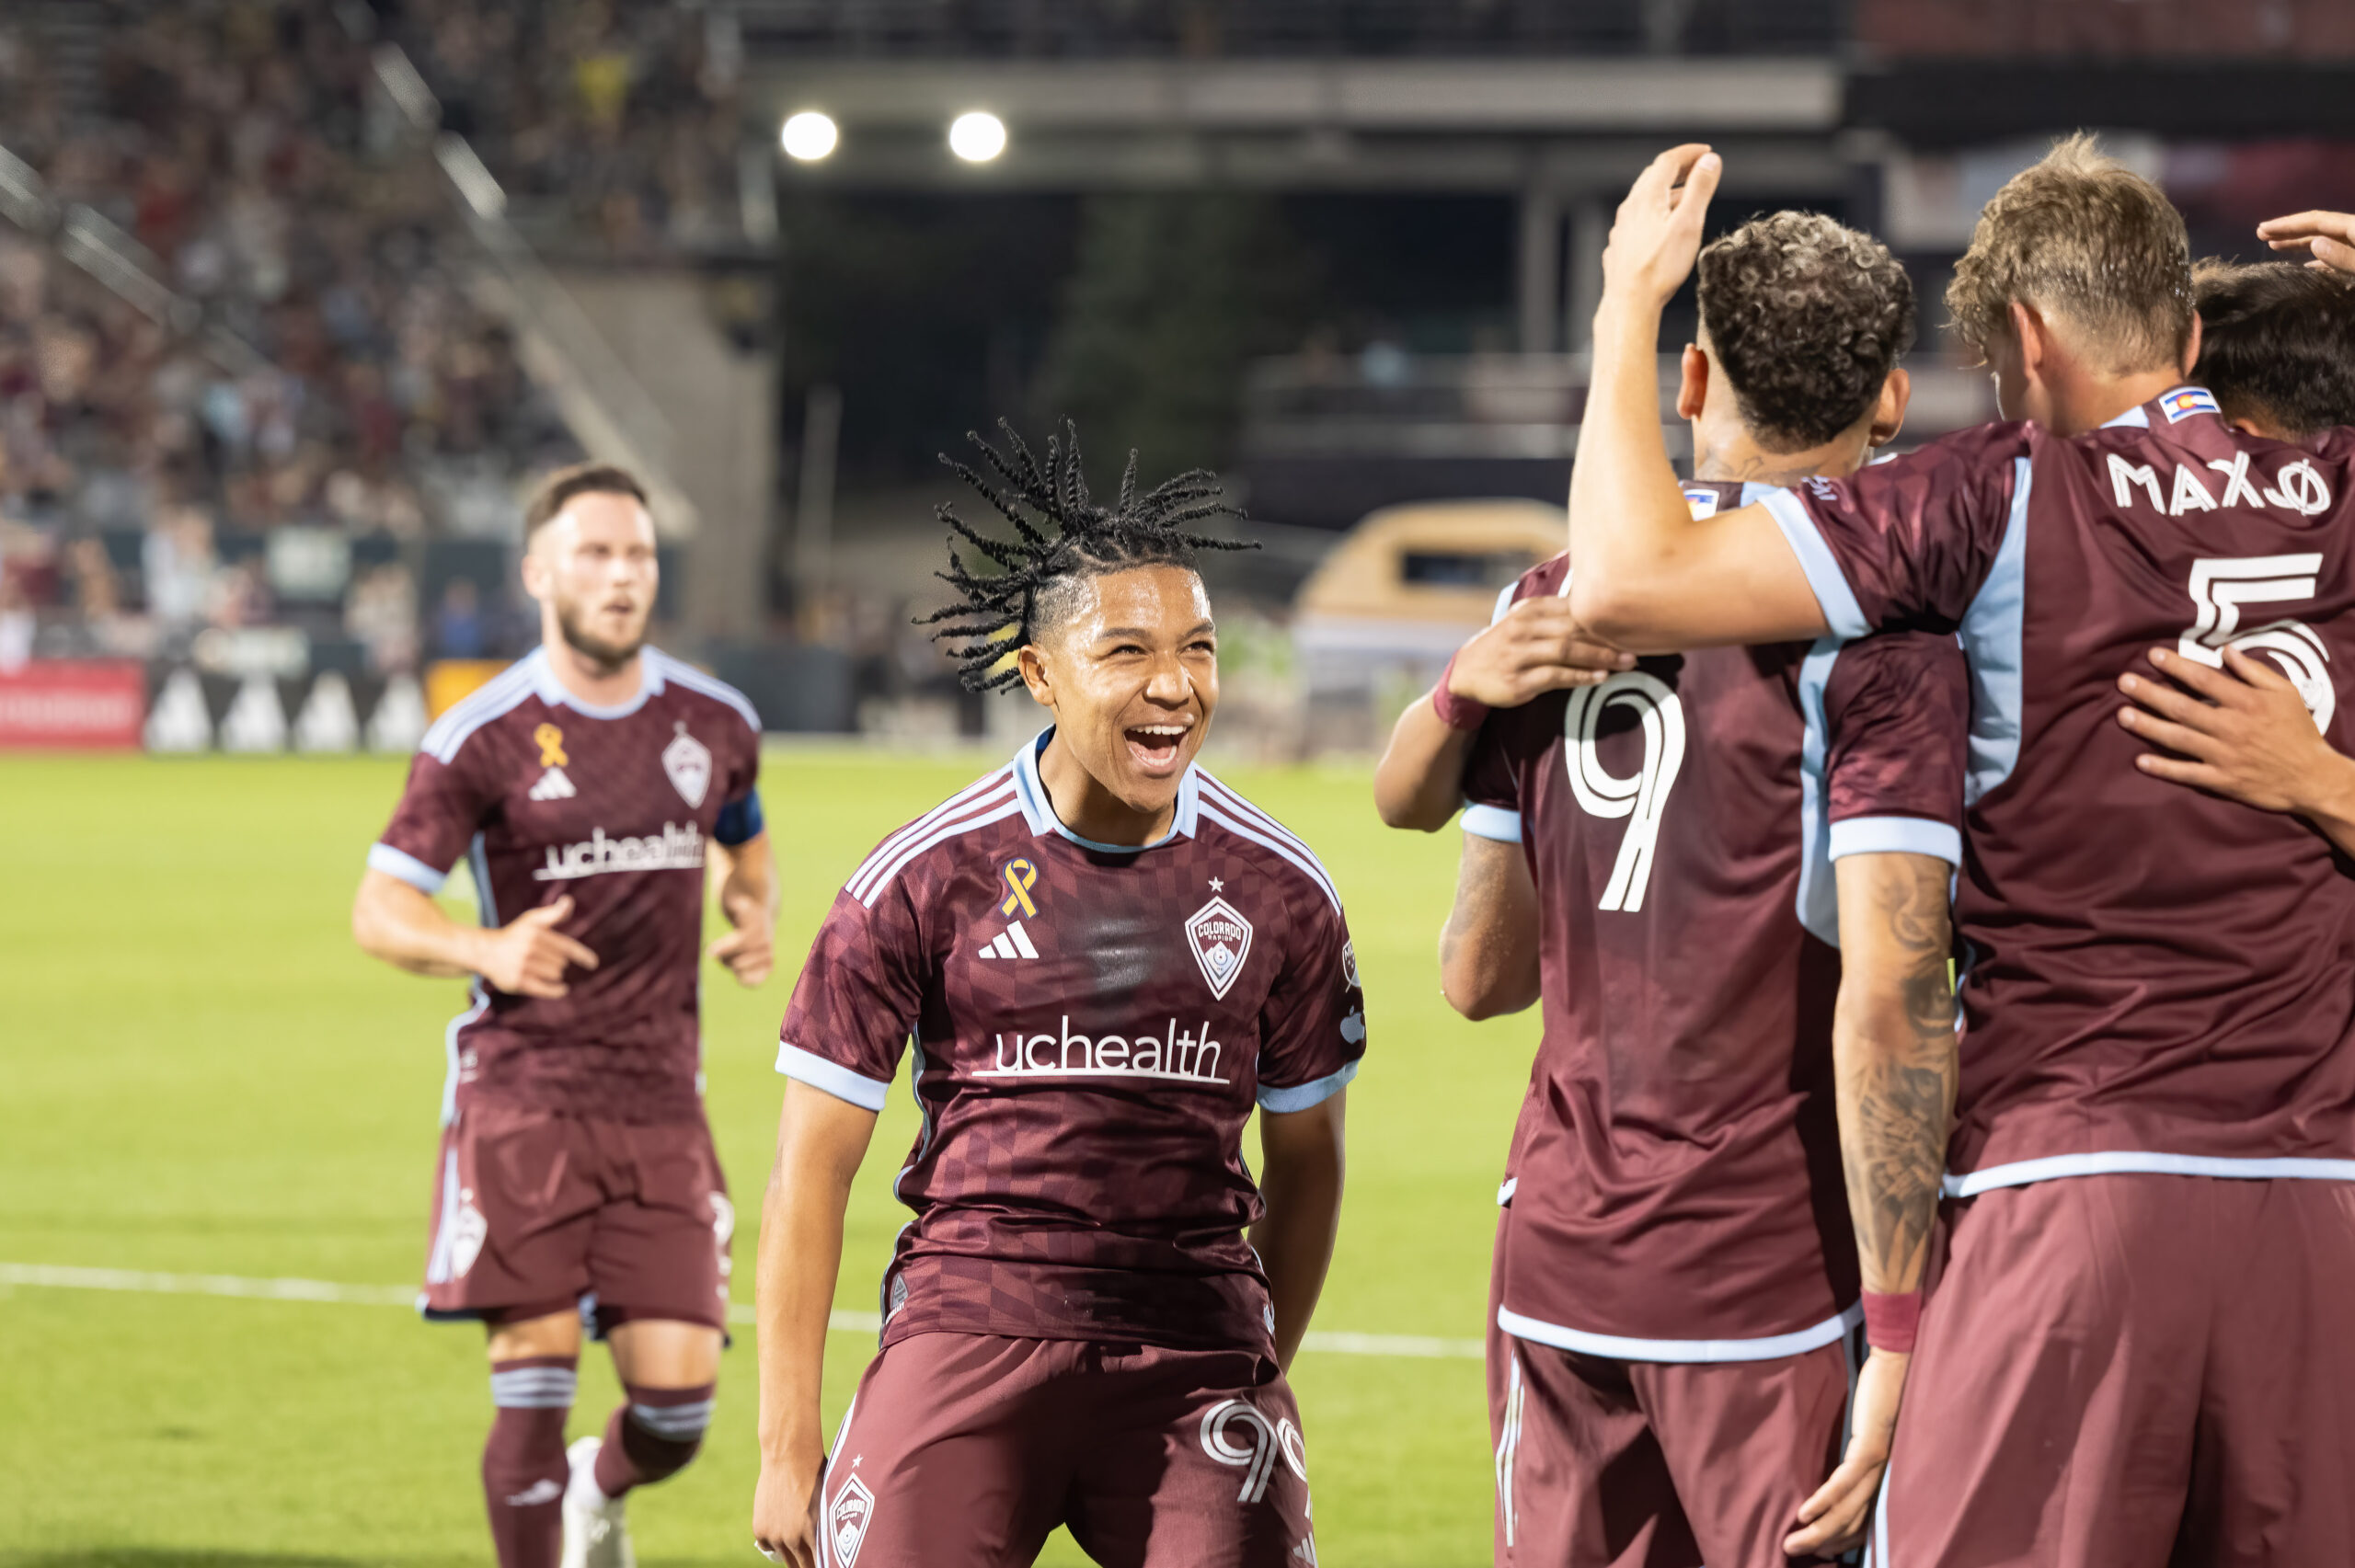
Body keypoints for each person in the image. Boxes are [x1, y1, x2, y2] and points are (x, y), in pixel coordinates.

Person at [1565, 135, 2355, 1566]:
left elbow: (1629, 583)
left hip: (2075, 1192)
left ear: (2027, 342)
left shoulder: (1993, 495)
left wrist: (1628, 309)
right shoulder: (2341, 494)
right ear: (2186, 332)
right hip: (2328, 1216)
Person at [1374, 212, 1970, 1567]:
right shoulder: (1878, 645)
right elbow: (1893, 1004)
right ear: (1891, 396)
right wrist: (1902, 1324)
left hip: (1563, 1258)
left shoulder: (1561, 598)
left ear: (1691, 381)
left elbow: (1477, 977)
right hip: (1772, 1277)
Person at [751, 424, 1362, 1568]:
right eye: (1126, 651)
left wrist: (1256, 1357)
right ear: (1039, 674)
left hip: (1194, 1350)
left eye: (1200, 648)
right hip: (968, 1326)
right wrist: (788, 1441)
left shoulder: (1281, 891)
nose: (1174, 685)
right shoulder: (923, 878)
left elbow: (1311, 1159)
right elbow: (810, 1167)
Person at [351, 463, 775, 1568]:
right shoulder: (479, 734)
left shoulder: (716, 720)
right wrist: (481, 944)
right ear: (539, 572)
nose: (621, 575)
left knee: (679, 1415)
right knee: (532, 1390)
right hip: (523, 1100)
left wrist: (750, 903)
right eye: (594, 553)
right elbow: (381, 905)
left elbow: (744, 830)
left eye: (636, 554)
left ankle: (603, 1485)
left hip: (660, 1104)